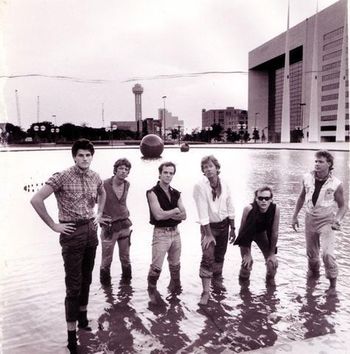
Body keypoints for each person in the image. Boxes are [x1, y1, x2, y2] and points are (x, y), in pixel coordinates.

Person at [30, 139, 107, 353]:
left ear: (92, 157)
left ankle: (83, 320)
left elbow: (103, 192)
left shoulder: (95, 176)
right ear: (74, 156)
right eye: (80, 155)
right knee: (73, 285)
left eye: (88, 155)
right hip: (71, 232)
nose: (84, 159)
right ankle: (71, 338)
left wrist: (99, 214)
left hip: (91, 231)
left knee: (87, 279)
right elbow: (36, 199)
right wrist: (54, 225)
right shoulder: (62, 176)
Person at [291, 150, 347, 292]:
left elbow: (343, 206)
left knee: (327, 254)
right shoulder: (306, 178)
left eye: (321, 161)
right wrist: (294, 216)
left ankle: (332, 286)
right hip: (310, 219)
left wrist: (338, 220)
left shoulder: (336, 183)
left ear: (329, 164)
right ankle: (312, 282)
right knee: (312, 255)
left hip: (327, 221)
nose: (317, 164)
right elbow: (301, 197)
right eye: (316, 161)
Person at [193, 155, 236, 305]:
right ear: (203, 171)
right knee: (207, 258)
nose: (208, 169)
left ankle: (217, 281)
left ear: (217, 168)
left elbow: (230, 205)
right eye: (205, 167)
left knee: (220, 256)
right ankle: (205, 291)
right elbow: (202, 212)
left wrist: (233, 227)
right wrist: (208, 235)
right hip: (208, 228)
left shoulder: (225, 183)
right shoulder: (200, 186)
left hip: (224, 226)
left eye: (210, 166)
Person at [146, 162, 187, 304]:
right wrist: (175, 211)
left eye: (171, 173)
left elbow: (184, 215)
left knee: (175, 265)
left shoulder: (176, 193)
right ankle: (151, 291)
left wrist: (169, 214)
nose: (168, 175)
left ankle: (175, 289)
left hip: (176, 233)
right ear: (160, 174)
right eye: (166, 172)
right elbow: (158, 215)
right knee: (156, 267)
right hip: (161, 233)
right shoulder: (152, 192)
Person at [234, 186, 280, 285]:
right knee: (247, 264)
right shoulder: (248, 209)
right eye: (260, 198)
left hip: (261, 234)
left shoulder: (276, 209)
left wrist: (272, 254)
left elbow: (274, 232)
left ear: (271, 199)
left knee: (272, 264)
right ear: (256, 199)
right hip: (247, 235)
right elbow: (242, 232)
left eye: (267, 198)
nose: (264, 201)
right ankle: (244, 287)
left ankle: (270, 284)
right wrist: (247, 253)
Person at [99, 158, 133, 286]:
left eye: (126, 169)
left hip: (124, 225)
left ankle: (127, 289)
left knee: (126, 258)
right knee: (106, 260)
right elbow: (92, 202)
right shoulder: (103, 184)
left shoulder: (127, 184)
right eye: (121, 168)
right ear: (115, 170)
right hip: (109, 227)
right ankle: (106, 290)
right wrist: (99, 216)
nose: (124, 171)